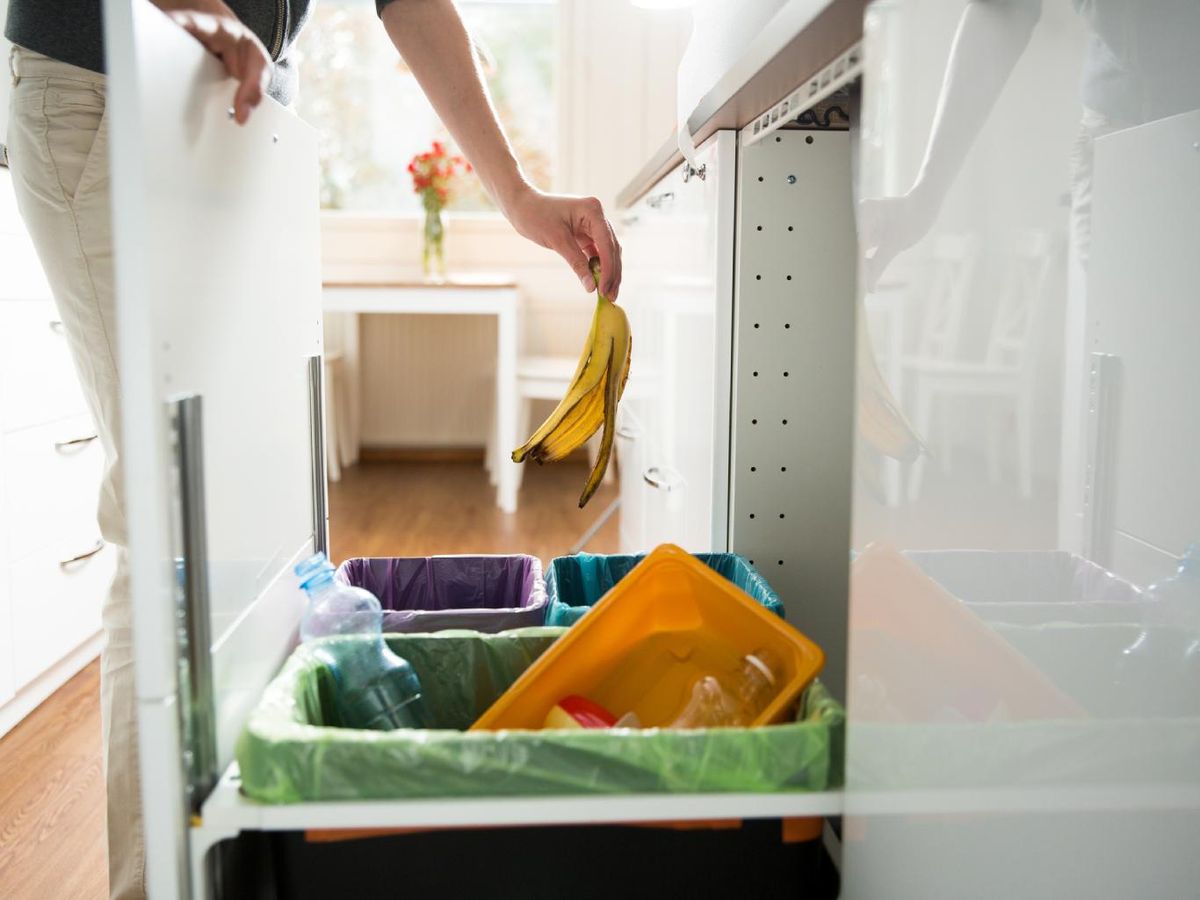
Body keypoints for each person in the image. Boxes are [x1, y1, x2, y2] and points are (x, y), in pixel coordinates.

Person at [4, 2, 623, 897]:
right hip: (108, 77)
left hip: (237, 103)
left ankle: (256, 851)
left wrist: (519, 198)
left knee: (263, 513)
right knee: (172, 514)